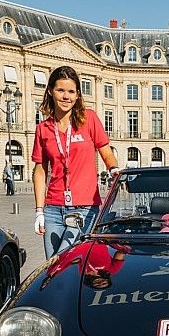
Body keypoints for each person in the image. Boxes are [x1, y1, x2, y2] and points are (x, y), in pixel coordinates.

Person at [31, 65, 120, 259]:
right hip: (53, 209)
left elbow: (105, 151)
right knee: (52, 267)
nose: (66, 96)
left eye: (71, 91)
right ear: (50, 91)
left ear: (78, 95)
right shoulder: (43, 129)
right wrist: (39, 211)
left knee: (67, 261)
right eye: (60, 90)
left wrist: (113, 168)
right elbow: (39, 170)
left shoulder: (88, 119)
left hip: (85, 208)